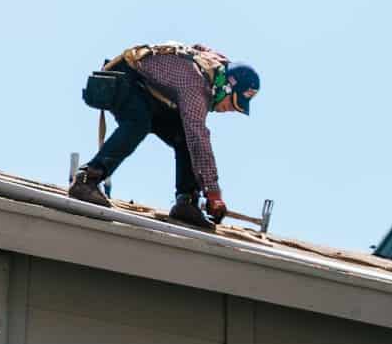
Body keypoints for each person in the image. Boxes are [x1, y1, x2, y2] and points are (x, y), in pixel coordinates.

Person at [70, 42, 259, 231]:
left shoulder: (218, 67)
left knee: (183, 136)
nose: (230, 110)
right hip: (129, 78)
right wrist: (213, 194)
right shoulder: (196, 85)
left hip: (152, 92)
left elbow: (199, 47)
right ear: (226, 87)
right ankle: (87, 179)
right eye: (233, 103)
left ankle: (187, 203)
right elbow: (199, 138)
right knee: (139, 124)